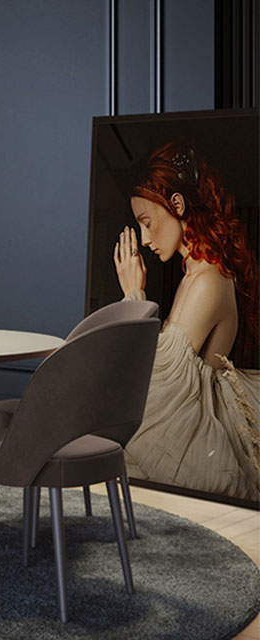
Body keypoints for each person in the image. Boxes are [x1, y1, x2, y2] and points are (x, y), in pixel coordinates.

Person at [113, 140, 260, 501]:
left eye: (147, 223)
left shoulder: (207, 280)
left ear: (177, 205)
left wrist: (134, 296)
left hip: (196, 429)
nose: (145, 239)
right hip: (185, 418)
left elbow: (158, 383)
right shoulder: (195, 274)